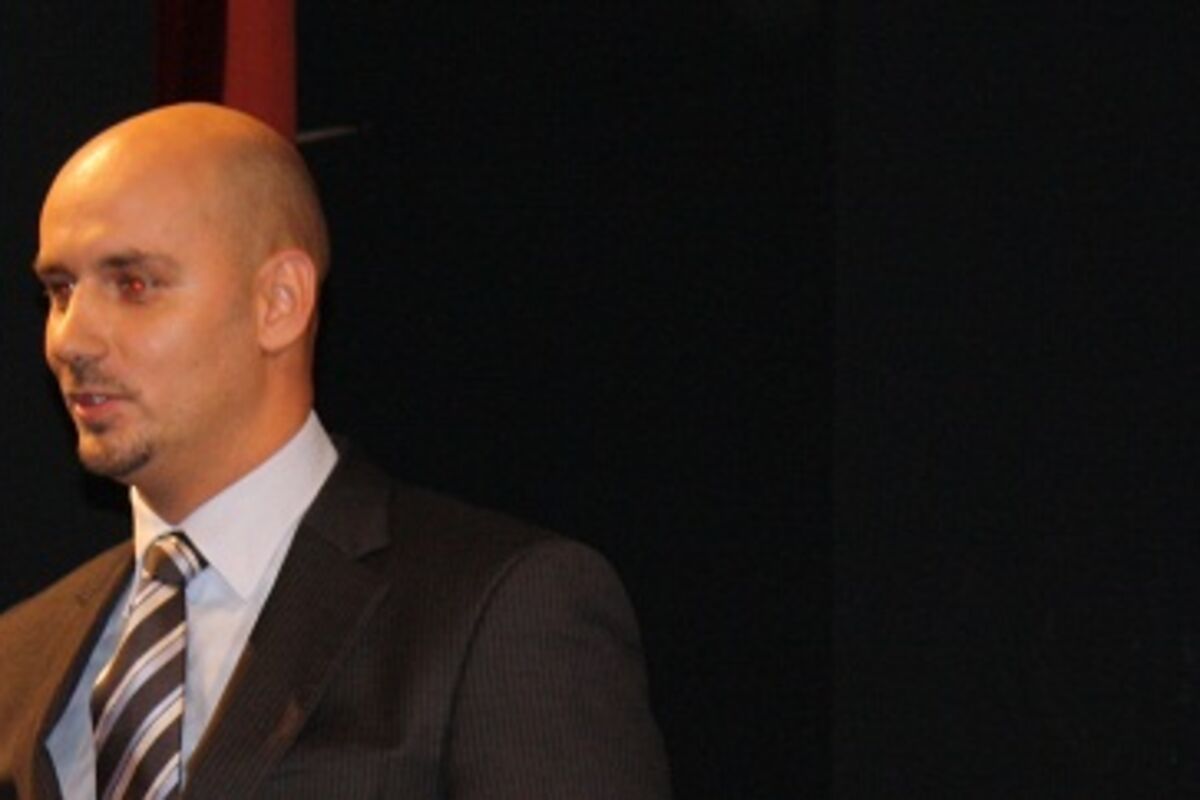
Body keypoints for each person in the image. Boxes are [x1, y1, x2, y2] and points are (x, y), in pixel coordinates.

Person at [0, 103, 670, 799]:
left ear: (280, 301)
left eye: (134, 285)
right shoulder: (18, 656)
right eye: (59, 290)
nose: (70, 339)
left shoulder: (496, 613)